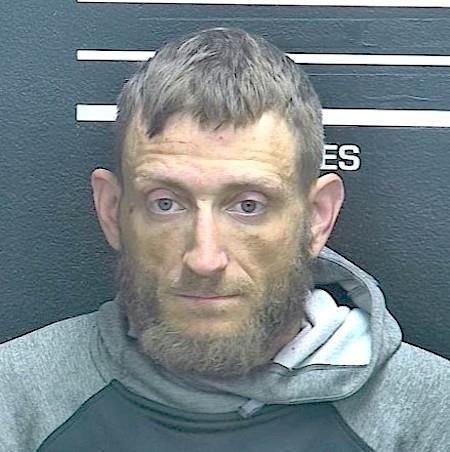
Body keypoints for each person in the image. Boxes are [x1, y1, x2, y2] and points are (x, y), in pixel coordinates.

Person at [1, 27, 448, 452]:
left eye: (248, 206)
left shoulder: (431, 415)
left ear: (316, 218)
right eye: (165, 203)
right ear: (112, 210)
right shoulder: (17, 398)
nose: (204, 258)